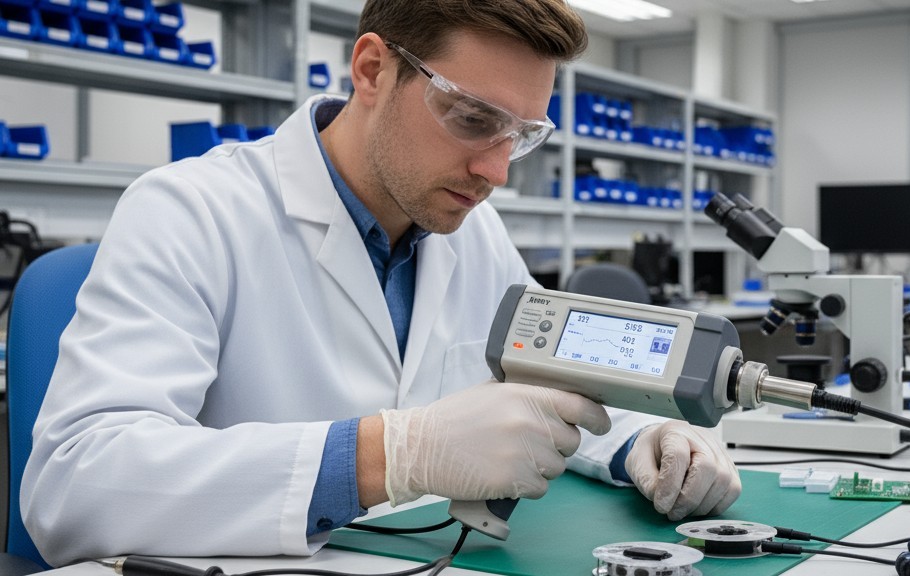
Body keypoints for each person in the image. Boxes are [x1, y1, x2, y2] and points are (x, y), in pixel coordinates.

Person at [22, 0, 741, 567]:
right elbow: (74, 486)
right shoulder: (191, 210)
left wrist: (645, 442)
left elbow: (543, 396)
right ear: (372, 69)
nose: (497, 173)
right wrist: (389, 455)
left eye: (520, 134)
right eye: (472, 119)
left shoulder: (471, 228)